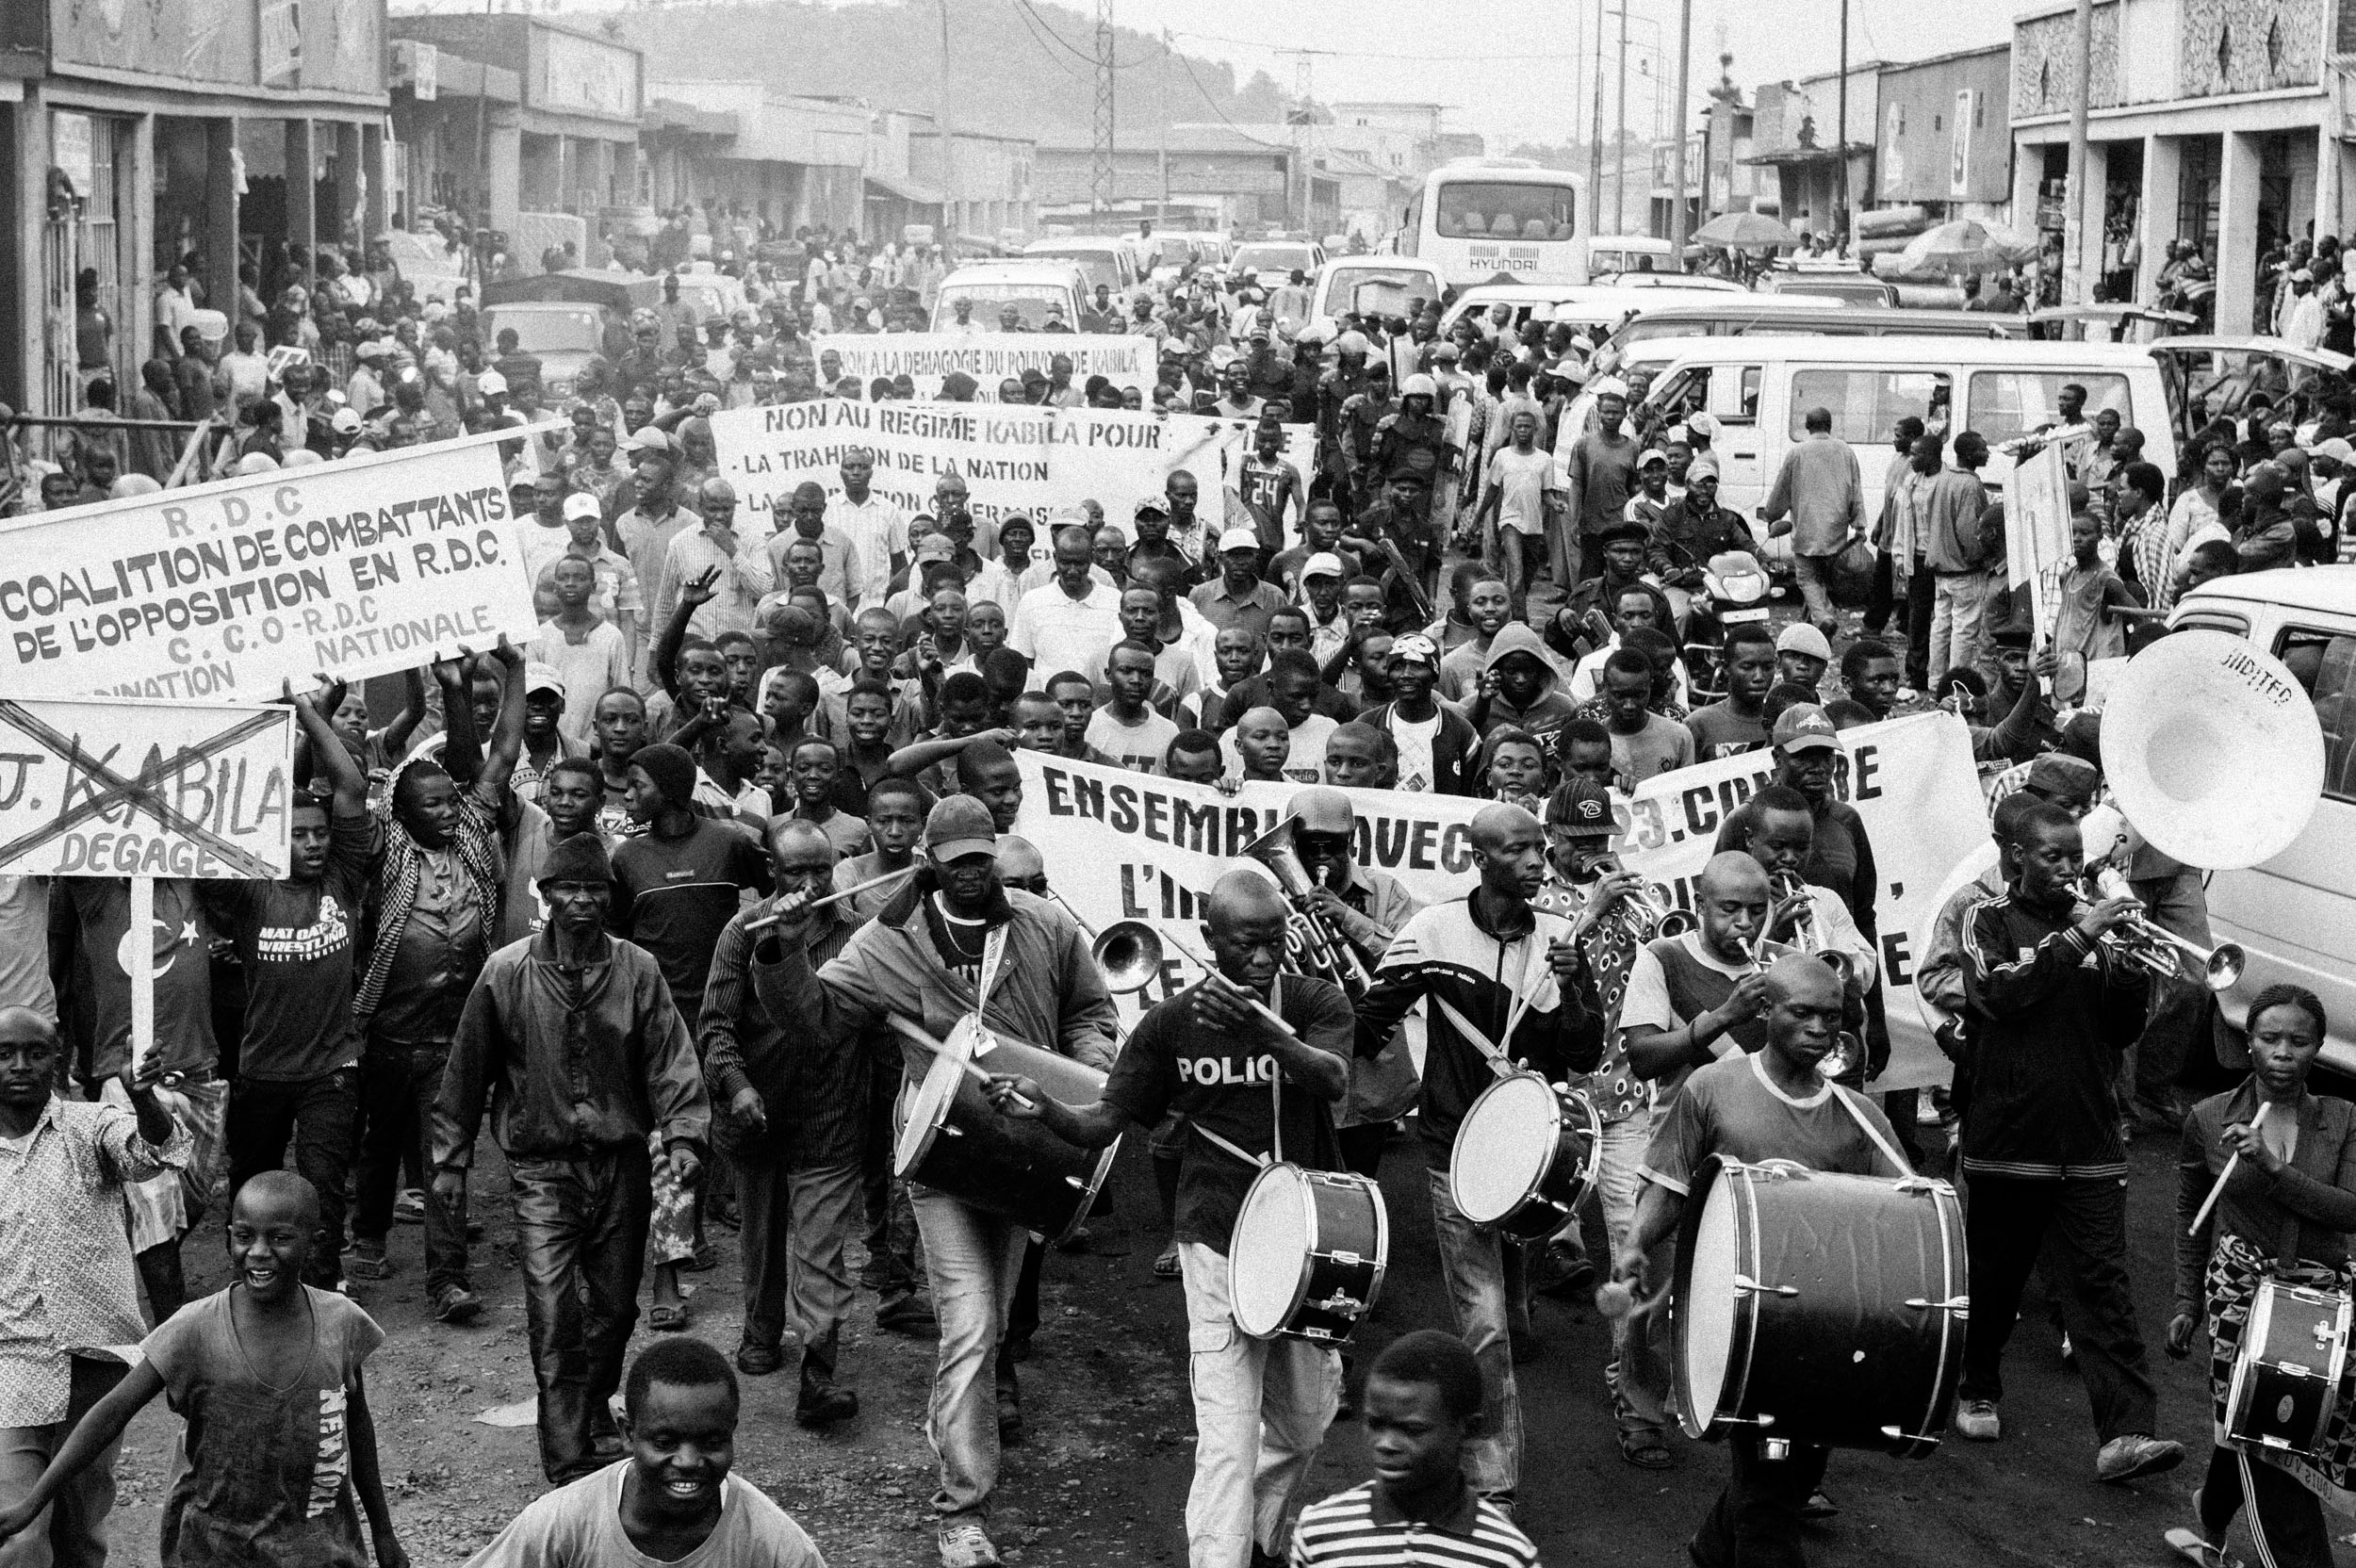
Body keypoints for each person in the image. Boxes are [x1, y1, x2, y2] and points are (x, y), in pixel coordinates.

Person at [753, 797, 1116, 1568]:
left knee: (992, 1324)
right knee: (973, 1322)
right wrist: (781, 956)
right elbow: (816, 1021)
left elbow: (1091, 1010)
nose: (975, 874)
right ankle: (962, 1509)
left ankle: (956, 1434)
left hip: (1027, 1148)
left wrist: (1090, 1077)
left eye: (983, 859)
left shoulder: (1045, 928)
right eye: (958, 864)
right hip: (941, 1157)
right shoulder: (887, 944)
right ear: (930, 863)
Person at [982, 871, 1354, 1568]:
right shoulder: (1168, 1025)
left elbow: (1332, 1079)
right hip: (1213, 1236)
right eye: (1248, 944)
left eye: (1276, 941)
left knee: (1305, 1426)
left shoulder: (1312, 1000)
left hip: (1305, 1241)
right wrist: (1045, 1109)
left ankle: (1256, 1534)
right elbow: (1102, 1125)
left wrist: (1265, 1031)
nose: (1267, 958)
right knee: (1226, 1435)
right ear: (1211, 941)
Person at [432, 831, 713, 1484]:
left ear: (609, 899)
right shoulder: (507, 971)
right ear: (547, 895)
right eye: (568, 889)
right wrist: (450, 1162)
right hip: (541, 1170)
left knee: (615, 1309)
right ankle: (566, 1459)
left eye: (594, 889)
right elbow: (465, 1071)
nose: (582, 900)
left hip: (620, 1165)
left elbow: (671, 1060)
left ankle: (589, 1411)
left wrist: (685, 1136)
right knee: (554, 1313)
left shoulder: (637, 968)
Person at [1611, 957, 1909, 1568]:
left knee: (1794, 1475)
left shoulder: (1858, 1115)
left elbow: (1908, 1214)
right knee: (1773, 1496)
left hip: (1826, 1326)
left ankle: (1710, 1549)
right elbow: (1669, 1187)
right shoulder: (1712, 1088)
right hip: (1734, 1325)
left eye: (1832, 1017)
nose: (1819, 1029)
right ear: (1766, 1012)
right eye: (1801, 1013)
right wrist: (1637, 1245)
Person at [1353, 806, 1604, 1506]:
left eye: (1540, 849)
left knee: (1505, 1303)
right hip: (1452, 1150)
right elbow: (1368, 1022)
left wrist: (1576, 983)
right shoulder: (1431, 931)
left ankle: (1517, 1297)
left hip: (1529, 1153)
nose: (1536, 861)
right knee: (1485, 1322)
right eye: (1519, 850)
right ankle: (1493, 1479)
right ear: (1482, 858)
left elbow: (1582, 1054)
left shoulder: (1559, 936)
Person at [0, 1172, 403, 1568]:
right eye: (244, 1236)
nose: (258, 1252)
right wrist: (33, 1503)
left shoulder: (341, 1322)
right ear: (229, 1235)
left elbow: (356, 1423)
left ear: (315, 1244)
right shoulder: (194, 1327)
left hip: (317, 1545)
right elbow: (113, 1411)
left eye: (279, 1238)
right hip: (217, 1547)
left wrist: (384, 1533)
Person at [1952, 802, 2183, 1482]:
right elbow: (1998, 995)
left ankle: (2126, 1435)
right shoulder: (1986, 920)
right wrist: (2081, 938)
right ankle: (1978, 1386)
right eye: (2051, 855)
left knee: (2102, 1286)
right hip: (2009, 1135)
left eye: (2072, 854)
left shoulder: (2101, 935)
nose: (2067, 867)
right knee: (1996, 1276)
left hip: (2088, 1138)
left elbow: (2117, 1032)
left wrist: (2132, 971)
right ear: (2016, 856)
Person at [2168, 987, 2356, 1568]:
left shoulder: (2344, 1118)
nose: (2283, 1053)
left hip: (2321, 1298)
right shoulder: (2207, 1119)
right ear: (2246, 1042)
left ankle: (2210, 1513)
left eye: (2298, 1042)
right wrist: (2186, 1299)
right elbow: (2189, 1214)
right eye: (2269, 1039)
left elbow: (2349, 1209)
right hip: (2240, 1296)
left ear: (2318, 1048)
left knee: (2282, 1423)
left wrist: (2272, 1167)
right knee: (2266, 1433)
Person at [0, 1007, 186, 1568]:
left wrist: (143, 1096)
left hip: (96, 1366)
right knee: (18, 1537)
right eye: (5, 1054)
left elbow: (156, 1151)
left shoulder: (90, 1127)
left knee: (81, 1536)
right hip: (12, 1368)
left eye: (35, 1053)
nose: (20, 1067)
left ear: (58, 1060)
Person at [704, 821, 869, 1421]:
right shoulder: (743, 930)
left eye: (821, 870)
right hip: (756, 1117)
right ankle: (761, 1329)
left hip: (830, 1115)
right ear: (771, 872)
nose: (810, 882)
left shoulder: (856, 930)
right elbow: (715, 1025)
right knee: (763, 1237)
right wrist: (738, 1086)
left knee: (822, 1251)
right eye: (795, 870)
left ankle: (818, 1371)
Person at [215, 684, 372, 1290]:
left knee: (323, 1186)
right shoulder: (252, 891)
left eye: (319, 833)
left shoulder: (343, 878)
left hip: (332, 1066)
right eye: (298, 835)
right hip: (261, 1069)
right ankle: (250, 1288)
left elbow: (351, 789)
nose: (312, 844)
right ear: (274, 842)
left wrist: (309, 709)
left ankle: (322, 1288)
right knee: (252, 1185)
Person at [464, 1339, 826, 1567]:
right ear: (628, 1434)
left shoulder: (773, 1544)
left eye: (712, 1442)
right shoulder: (561, 1526)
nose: (688, 1462)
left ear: (731, 1434)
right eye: (665, 1443)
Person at [1286, 1331, 1541, 1567]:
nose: (1386, 1444)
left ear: (1468, 1428)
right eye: (1375, 1424)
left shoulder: (1507, 1556)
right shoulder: (1320, 1535)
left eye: (1412, 1430)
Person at [1685, 622, 1776, 759]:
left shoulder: (1782, 722)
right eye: (1747, 667)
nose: (1759, 677)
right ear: (1726, 668)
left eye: (1767, 667)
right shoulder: (1699, 725)